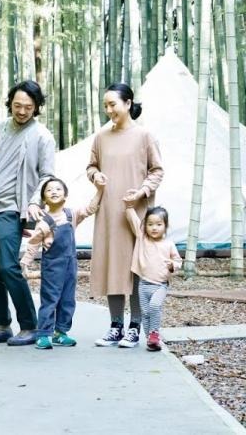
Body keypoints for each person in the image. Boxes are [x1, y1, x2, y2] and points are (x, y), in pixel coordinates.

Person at [0, 80, 56, 347]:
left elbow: (47, 175)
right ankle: (1, 324)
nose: (22, 111)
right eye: (17, 105)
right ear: (10, 103)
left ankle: (30, 325)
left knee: (8, 267)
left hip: (12, 208)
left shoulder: (42, 136)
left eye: (28, 107)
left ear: (37, 107)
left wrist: (34, 202)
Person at [86, 83, 164, 349]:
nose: (109, 110)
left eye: (113, 104)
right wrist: (95, 175)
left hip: (136, 212)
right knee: (113, 267)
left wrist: (142, 191)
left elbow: (157, 170)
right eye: (105, 105)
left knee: (137, 269)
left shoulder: (145, 136)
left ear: (128, 103)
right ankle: (116, 326)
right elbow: (91, 166)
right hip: (109, 211)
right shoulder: (101, 137)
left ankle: (135, 327)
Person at [20, 176, 103, 350]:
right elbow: (33, 243)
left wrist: (100, 190)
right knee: (50, 299)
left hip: (70, 265)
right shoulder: (44, 222)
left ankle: (61, 333)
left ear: (65, 195)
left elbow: (90, 209)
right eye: (49, 190)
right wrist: (25, 263)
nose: (54, 192)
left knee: (68, 299)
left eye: (58, 189)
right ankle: (43, 334)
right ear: (44, 199)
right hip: (52, 266)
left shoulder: (71, 215)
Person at [126, 205, 181, 352]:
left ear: (165, 225)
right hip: (143, 284)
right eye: (150, 224)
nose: (154, 228)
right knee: (145, 313)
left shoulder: (169, 244)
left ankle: (155, 333)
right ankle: (150, 339)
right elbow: (135, 222)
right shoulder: (142, 239)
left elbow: (178, 261)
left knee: (154, 307)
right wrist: (129, 206)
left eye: (158, 224)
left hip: (160, 285)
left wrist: (172, 265)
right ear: (145, 226)